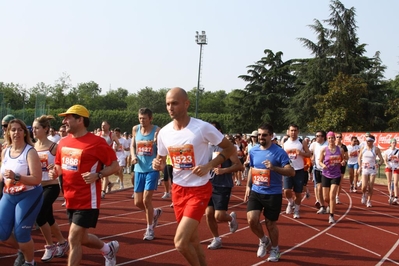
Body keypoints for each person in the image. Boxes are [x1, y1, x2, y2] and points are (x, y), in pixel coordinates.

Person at [152, 87, 235, 266]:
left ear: (186, 104)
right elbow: (160, 158)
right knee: (193, 241)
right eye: (167, 104)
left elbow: (230, 149)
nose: (170, 107)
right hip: (178, 190)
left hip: (199, 190)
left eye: (174, 103)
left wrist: (209, 165)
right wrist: (157, 164)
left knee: (180, 243)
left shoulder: (202, 128)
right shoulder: (164, 133)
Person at [49, 105, 120, 266]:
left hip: (88, 200)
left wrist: (99, 175)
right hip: (69, 198)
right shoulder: (63, 142)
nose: (64, 121)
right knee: (82, 238)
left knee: (73, 238)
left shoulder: (96, 142)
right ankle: (108, 249)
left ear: (80, 120)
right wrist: (55, 172)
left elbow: (115, 166)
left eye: (68, 118)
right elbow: (60, 166)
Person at [244, 123, 294, 262]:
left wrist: (274, 168)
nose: (261, 137)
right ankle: (263, 240)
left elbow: (291, 171)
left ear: (271, 136)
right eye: (259, 134)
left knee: (270, 223)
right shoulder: (253, 151)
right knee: (251, 220)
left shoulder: (279, 152)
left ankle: (275, 248)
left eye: (264, 135)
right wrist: (248, 186)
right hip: (256, 190)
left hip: (273, 193)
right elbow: (253, 168)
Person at [0, 118, 43, 266]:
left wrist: (16, 176)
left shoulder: (30, 152)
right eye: (13, 129)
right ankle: (24, 250)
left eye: (19, 129)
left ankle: (30, 262)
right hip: (8, 194)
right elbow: (2, 175)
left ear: (25, 132)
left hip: (29, 195)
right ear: (8, 133)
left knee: (21, 233)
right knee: (2, 233)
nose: (16, 132)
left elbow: (37, 179)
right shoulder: (5, 151)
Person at [32, 115, 69, 262]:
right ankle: (61, 242)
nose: (33, 130)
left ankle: (49, 245)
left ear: (45, 129)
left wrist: (57, 167)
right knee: (49, 217)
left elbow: (66, 165)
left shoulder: (54, 147)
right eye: (33, 128)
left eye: (37, 128)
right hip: (36, 187)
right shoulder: (32, 147)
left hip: (51, 187)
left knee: (39, 215)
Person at [205, 121, 242, 250]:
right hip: (208, 184)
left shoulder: (228, 148)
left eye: (213, 130)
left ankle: (231, 219)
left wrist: (224, 171)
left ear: (219, 131)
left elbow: (239, 166)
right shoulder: (205, 146)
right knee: (209, 213)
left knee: (219, 216)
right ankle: (216, 239)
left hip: (223, 185)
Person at [130, 107, 163, 241]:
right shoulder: (135, 129)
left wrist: (158, 159)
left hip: (152, 169)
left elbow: (162, 148)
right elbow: (133, 145)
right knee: (138, 202)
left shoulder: (157, 130)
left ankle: (149, 229)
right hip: (139, 168)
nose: (142, 121)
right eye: (140, 118)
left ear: (150, 118)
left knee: (146, 199)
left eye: (144, 118)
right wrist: (133, 156)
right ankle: (154, 213)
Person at [282, 124, 311, 219]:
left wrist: (301, 153)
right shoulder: (285, 142)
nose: (293, 132)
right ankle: (291, 202)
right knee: (286, 191)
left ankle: (297, 210)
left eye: (295, 130)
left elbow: (309, 154)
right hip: (288, 170)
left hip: (299, 170)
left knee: (298, 193)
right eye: (291, 130)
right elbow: (281, 155)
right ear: (288, 131)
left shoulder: (302, 142)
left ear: (298, 131)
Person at [318, 131, 346, 224]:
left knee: (332, 196)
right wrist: (323, 165)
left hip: (336, 174)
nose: (331, 140)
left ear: (335, 139)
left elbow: (344, 159)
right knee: (326, 197)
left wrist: (343, 162)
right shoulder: (324, 150)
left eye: (332, 138)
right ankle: (330, 205)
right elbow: (320, 161)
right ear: (327, 139)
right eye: (329, 138)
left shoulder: (340, 149)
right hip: (326, 174)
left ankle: (331, 216)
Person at [358, 135, 384, 207]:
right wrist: (360, 166)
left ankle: (369, 201)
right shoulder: (363, 148)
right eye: (367, 141)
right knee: (364, 186)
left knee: (370, 186)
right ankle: (364, 194)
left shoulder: (376, 149)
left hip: (372, 169)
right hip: (365, 169)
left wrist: (378, 164)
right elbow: (359, 158)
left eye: (369, 141)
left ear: (373, 141)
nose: (367, 142)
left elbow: (382, 160)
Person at [97, 120, 120, 198]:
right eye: (102, 125)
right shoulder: (98, 134)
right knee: (99, 174)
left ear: (108, 126)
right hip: (99, 156)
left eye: (104, 125)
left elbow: (118, 143)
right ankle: (109, 184)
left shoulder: (112, 135)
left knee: (105, 174)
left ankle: (103, 191)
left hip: (107, 156)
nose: (102, 126)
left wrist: (115, 149)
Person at [309, 130, 327, 213]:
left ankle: (329, 204)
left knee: (326, 191)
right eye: (316, 135)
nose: (316, 137)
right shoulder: (314, 144)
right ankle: (322, 206)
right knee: (319, 188)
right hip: (317, 168)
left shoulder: (327, 145)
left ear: (323, 137)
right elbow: (310, 152)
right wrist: (312, 158)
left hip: (326, 170)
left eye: (318, 136)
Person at [0, 114, 15, 200]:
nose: (3, 128)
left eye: (5, 126)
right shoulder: (5, 144)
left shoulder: (18, 143)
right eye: (2, 126)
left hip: (14, 179)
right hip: (4, 177)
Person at [384, 138, 399, 204]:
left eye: (395, 142)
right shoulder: (387, 151)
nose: (394, 143)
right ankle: (391, 195)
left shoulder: (398, 151)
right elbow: (385, 160)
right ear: (390, 144)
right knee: (389, 182)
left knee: (395, 183)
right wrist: (387, 165)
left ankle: (396, 197)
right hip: (389, 167)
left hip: (396, 167)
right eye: (392, 142)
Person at [334, 133, 348, 204]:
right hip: (333, 166)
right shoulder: (332, 146)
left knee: (339, 182)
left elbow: (347, 157)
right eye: (337, 137)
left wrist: (344, 160)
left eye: (340, 137)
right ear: (335, 138)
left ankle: (337, 197)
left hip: (341, 166)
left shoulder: (344, 147)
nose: (338, 138)